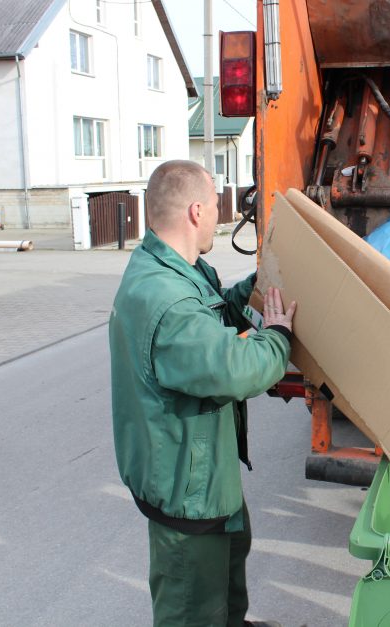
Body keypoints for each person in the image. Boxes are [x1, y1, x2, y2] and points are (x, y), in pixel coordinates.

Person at [109, 160, 294, 627]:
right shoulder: (167, 302)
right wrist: (278, 335)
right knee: (194, 608)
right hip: (188, 492)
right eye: (215, 205)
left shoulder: (173, 269)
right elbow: (237, 369)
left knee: (227, 586)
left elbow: (214, 314)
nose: (219, 214)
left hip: (204, 478)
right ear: (196, 212)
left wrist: (260, 288)